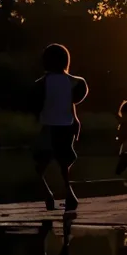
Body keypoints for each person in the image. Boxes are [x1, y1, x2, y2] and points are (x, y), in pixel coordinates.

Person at [32, 43, 88, 212]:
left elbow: (36, 102)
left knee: (40, 165)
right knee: (63, 163)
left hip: (49, 127)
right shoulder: (74, 82)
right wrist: (76, 119)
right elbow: (73, 99)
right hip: (67, 125)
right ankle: (68, 194)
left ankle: (51, 194)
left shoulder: (42, 83)